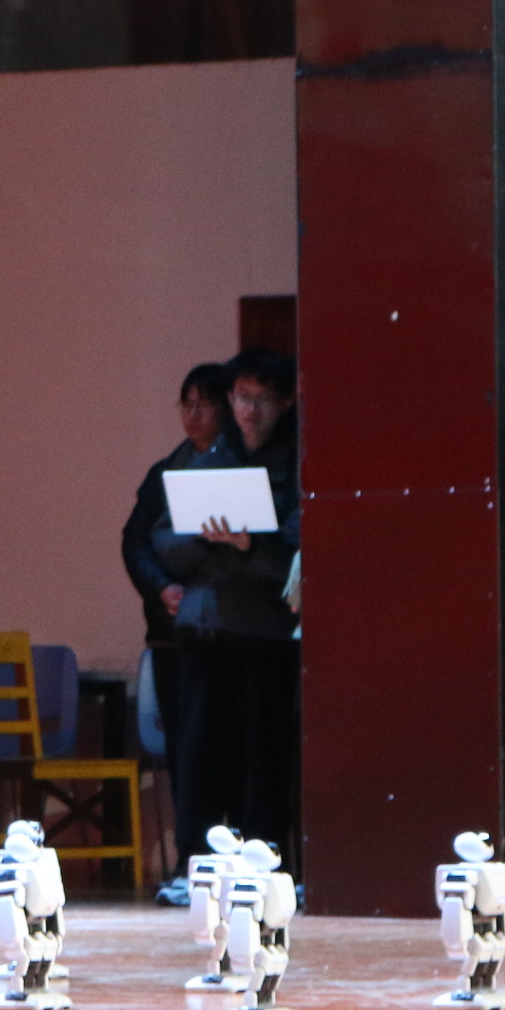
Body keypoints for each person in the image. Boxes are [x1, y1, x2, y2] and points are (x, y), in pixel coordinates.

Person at [151, 347, 300, 863]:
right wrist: (206, 538)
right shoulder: (211, 458)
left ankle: (264, 865)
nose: (248, 411)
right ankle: (194, 866)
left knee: (261, 761)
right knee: (196, 759)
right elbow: (162, 540)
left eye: (262, 400)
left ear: (286, 401)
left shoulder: (296, 462)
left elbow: (296, 559)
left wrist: (250, 545)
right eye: (240, 398)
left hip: (263, 636)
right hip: (203, 632)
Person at [122, 362, 233, 899]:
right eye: (185, 404)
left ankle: (236, 857)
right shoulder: (166, 471)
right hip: (173, 633)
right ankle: (192, 863)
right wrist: (161, 586)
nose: (192, 414)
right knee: (184, 750)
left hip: (230, 633)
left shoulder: (240, 468)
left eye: (203, 404)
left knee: (229, 749)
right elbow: (135, 541)